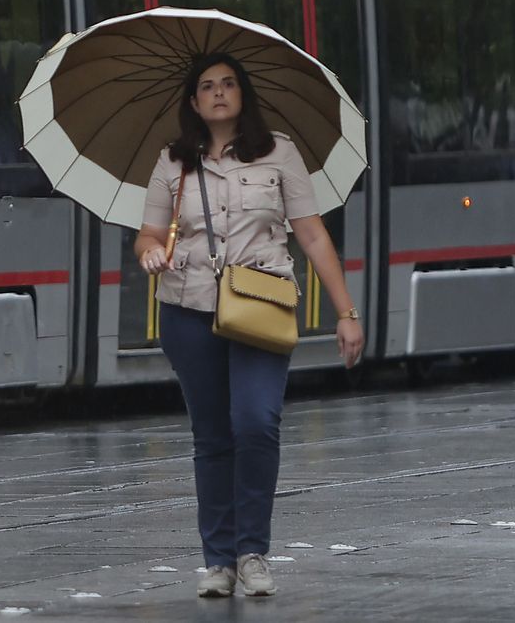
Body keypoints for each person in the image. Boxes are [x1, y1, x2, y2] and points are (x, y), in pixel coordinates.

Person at [134, 52, 365, 599]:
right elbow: (148, 235)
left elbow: (312, 234)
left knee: (256, 423)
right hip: (188, 310)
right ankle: (218, 561)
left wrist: (346, 313)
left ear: (243, 95)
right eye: (207, 86)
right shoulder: (173, 162)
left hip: (261, 305)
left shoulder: (279, 152)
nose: (219, 92)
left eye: (229, 83)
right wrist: (149, 254)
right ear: (193, 102)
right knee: (213, 435)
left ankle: (252, 552)